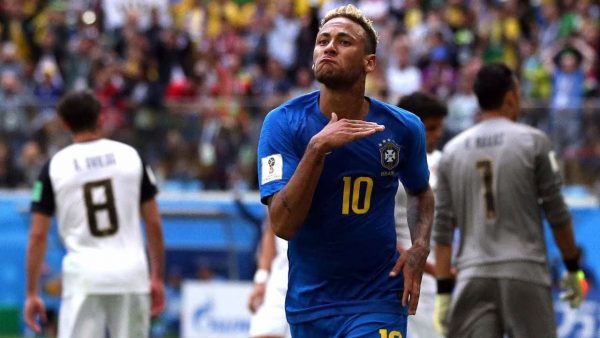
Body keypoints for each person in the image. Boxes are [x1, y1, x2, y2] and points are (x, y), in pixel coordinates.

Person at [257, 5, 434, 338]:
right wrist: (316, 149)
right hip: (311, 303)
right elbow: (282, 225)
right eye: (322, 40)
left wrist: (420, 247)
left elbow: (421, 191)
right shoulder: (282, 124)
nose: (329, 46)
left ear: (369, 62)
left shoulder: (403, 128)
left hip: (378, 298)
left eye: (343, 41)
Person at [432, 63, 587, 338]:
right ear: (511, 96)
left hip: (472, 274)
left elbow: (442, 227)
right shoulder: (534, 141)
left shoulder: (452, 152)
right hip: (524, 271)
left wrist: (444, 292)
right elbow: (557, 213)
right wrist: (573, 268)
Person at [24, 90, 166, 338]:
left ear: (65, 124)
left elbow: (38, 235)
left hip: (83, 278)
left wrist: (32, 293)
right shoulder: (131, 157)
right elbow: (153, 223)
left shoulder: (55, 166)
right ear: (101, 119)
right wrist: (157, 277)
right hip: (131, 275)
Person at [395, 92, 447, 338]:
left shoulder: (444, 163)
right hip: (403, 270)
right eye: (430, 128)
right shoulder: (388, 165)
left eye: (439, 128)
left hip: (438, 273)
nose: (437, 134)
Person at [247, 218, 290, 338]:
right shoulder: (272, 200)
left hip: (315, 280)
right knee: (263, 333)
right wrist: (261, 278)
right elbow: (270, 229)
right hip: (280, 278)